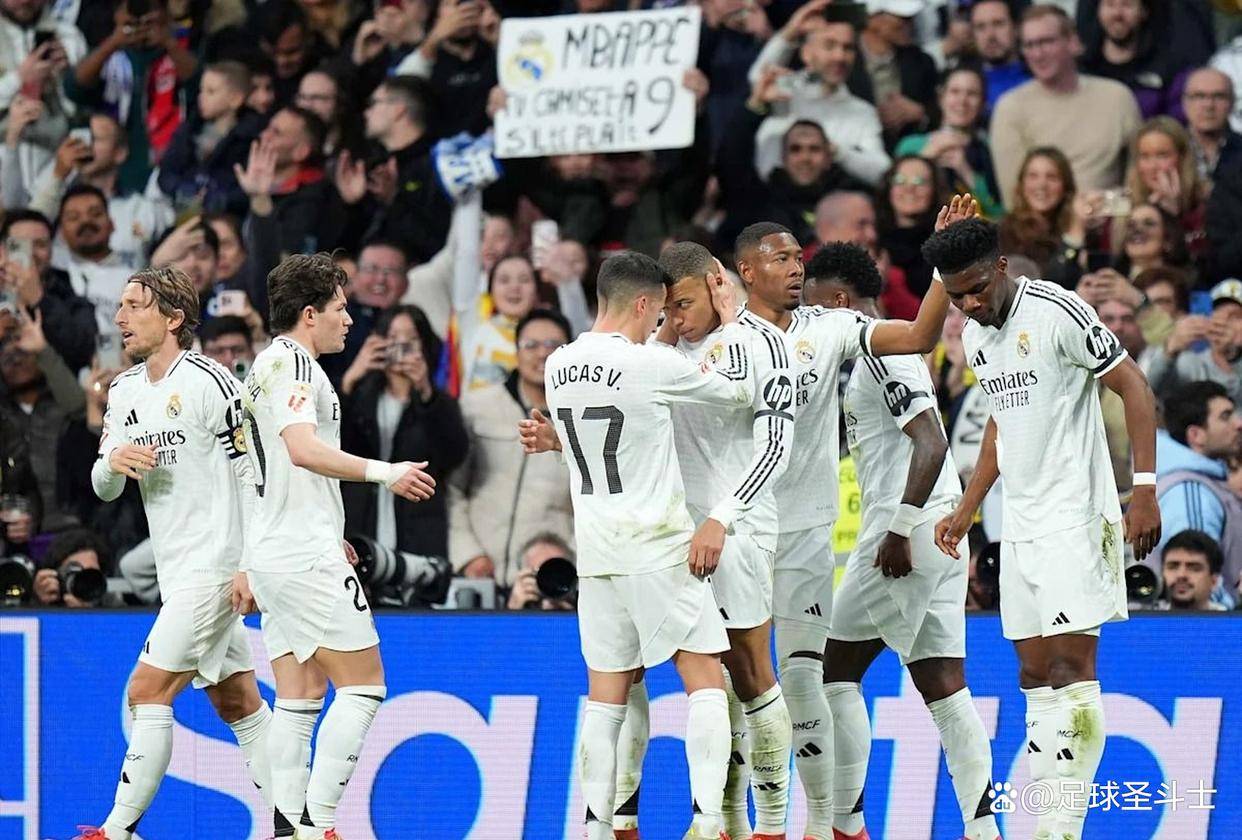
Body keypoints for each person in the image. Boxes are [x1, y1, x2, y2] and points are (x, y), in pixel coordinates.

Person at [729, 199, 959, 840]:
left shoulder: (828, 327)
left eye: (797, 257)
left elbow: (918, 336)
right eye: (779, 258)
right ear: (747, 271)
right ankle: (739, 823)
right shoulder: (724, 342)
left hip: (806, 530)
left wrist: (940, 263)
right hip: (741, 531)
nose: (794, 268)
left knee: (808, 678)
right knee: (737, 684)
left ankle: (830, 828)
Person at [930, 217, 1161, 840]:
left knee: (1069, 670)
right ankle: (1047, 822)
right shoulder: (975, 335)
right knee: (1033, 678)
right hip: (1022, 522)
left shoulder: (1057, 311)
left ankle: (1061, 828)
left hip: (1077, 516)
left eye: (977, 289)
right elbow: (1000, 424)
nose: (969, 304)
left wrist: (1144, 489)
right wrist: (969, 507)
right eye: (957, 296)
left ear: (1001, 267)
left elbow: (1134, 386)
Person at [522, 251, 753, 840]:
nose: (662, 323)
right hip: (657, 548)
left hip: (597, 555)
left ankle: (596, 826)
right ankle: (708, 821)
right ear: (646, 304)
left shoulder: (558, 363)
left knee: (605, 698)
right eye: (659, 313)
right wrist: (730, 320)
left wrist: (555, 442)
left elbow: (600, 437)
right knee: (704, 677)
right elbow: (736, 392)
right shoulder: (651, 364)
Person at [802, 241, 999, 840]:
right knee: (944, 686)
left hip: (905, 536)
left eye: (814, 306)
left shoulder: (883, 355)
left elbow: (932, 443)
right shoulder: (877, 353)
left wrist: (898, 527)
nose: (808, 318)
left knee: (830, 674)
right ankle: (984, 829)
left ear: (840, 302)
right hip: (937, 534)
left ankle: (845, 825)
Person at [239, 253, 435, 839]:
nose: (349, 320)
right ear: (309, 314)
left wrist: (330, 529)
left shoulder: (265, 366)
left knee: (300, 697)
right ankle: (318, 823)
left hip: (278, 550)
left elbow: (266, 472)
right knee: (364, 686)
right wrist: (385, 471)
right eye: (340, 308)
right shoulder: (296, 366)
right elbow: (301, 449)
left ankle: (287, 827)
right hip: (301, 554)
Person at [74, 267, 273, 840]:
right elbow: (102, 485)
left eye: (135, 306)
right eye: (120, 306)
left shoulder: (213, 381)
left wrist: (249, 563)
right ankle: (303, 824)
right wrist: (113, 463)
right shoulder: (124, 391)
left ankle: (117, 831)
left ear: (173, 318)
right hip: (178, 571)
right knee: (238, 702)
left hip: (217, 567)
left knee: (145, 692)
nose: (120, 318)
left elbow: (253, 470)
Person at [608, 242, 797, 840]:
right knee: (699, 682)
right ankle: (724, 823)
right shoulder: (662, 351)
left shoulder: (763, 343)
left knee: (749, 671)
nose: (677, 318)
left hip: (738, 530)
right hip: (670, 537)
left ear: (717, 284)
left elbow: (776, 446)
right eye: (667, 308)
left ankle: (772, 826)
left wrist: (722, 517)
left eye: (685, 304)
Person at [340, 304, 468, 584]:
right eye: (392, 337)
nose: (400, 346)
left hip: (418, 524)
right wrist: (350, 379)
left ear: (425, 345)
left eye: (410, 339)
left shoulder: (438, 401)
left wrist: (425, 391)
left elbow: (454, 454)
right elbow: (335, 446)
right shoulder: (360, 398)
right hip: (361, 520)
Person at [450, 308, 573, 588]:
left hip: (551, 578)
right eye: (531, 345)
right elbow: (453, 489)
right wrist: (467, 554)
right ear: (515, 351)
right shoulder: (476, 406)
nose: (542, 354)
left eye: (553, 345)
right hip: (479, 574)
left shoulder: (583, 416)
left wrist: (568, 562)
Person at [989, 5, 1141, 208]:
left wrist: (1101, 209)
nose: (1038, 54)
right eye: (1029, 45)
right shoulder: (1010, 108)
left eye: (1046, 42)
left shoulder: (1117, 97)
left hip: (1110, 221)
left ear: (1073, 42)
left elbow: (1139, 187)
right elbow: (1015, 202)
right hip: (1042, 225)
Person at [747, 0, 890, 187]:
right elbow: (758, 79)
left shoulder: (862, 112)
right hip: (770, 195)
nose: (839, 56)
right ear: (806, 53)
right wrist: (790, 32)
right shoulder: (786, 93)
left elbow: (882, 172)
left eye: (848, 48)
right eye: (829, 46)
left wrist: (835, 152)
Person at [67, 0, 199, 195]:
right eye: (132, 11)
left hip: (167, 172)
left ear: (165, 13)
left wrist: (168, 42)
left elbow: (199, 84)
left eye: (150, 10)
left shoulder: (183, 48)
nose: (140, 20)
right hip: (114, 175)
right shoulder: (107, 55)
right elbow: (74, 88)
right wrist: (113, 42)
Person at [1154, 380, 1242, 601]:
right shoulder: (1190, 491)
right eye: (1225, 417)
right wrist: (1227, 612)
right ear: (1196, 435)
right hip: (1200, 623)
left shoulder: (1202, 483)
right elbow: (1195, 587)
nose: (1238, 424)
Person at [157, 60, 265, 217]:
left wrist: (222, 200)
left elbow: (249, 189)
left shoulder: (251, 138)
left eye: (211, 92)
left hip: (230, 218)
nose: (201, 97)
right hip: (183, 211)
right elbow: (166, 174)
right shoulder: (189, 130)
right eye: (201, 90)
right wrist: (181, 189)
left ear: (235, 99)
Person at [895, 66, 1003, 219]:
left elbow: (1000, 213)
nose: (962, 101)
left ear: (983, 102)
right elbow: (892, 200)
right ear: (941, 97)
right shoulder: (911, 145)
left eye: (972, 94)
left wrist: (966, 172)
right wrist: (928, 157)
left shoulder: (989, 150)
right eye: (955, 92)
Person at [997, 147, 1094, 290]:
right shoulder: (1005, 233)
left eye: (1052, 177)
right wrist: (1073, 239)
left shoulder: (1078, 228)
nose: (1042, 185)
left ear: (1065, 187)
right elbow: (1042, 287)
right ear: (1022, 184)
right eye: (1033, 176)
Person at [853, 0, 939, 146]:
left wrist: (920, 113)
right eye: (903, 18)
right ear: (871, 19)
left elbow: (939, 113)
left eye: (911, 18)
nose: (910, 24)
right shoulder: (844, 59)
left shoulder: (921, 62)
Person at [1079, 0, 1185, 118]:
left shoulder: (1166, 67)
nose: (1117, 14)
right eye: (1110, 4)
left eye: (1127, 5)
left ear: (1144, 12)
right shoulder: (1082, 68)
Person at [876, 155, 946, 297]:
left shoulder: (944, 243)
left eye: (919, 182)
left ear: (935, 190)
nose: (909, 189)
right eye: (900, 180)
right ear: (889, 188)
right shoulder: (873, 240)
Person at [1181, 67, 1242, 185]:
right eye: (1199, 96)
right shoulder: (1168, 150)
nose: (1209, 105)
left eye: (1219, 96)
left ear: (1232, 102)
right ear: (1185, 102)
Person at [967, 0, 1030, 113]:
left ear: (1016, 28)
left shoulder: (1041, 75)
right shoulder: (963, 85)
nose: (990, 35)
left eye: (998, 24)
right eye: (981, 27)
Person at [1158, 529, 1227, 611]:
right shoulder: (1149, 616)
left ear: (1214, 581)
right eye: (1172, 567)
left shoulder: (1230, 618)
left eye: (1194, 569)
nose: (1181, 575)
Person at [505, 532, 576, 611]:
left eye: (556, 572)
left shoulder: (581, 607)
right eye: (540, 573)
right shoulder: (518, 605)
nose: (549, 581)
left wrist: (571, 613)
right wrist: (515, 608)